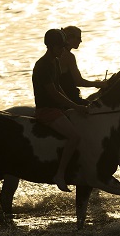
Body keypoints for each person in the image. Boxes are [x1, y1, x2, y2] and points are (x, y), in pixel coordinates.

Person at [32, 28, 88, 191]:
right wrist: (76, 106)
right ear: (51, 46)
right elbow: (53, 93)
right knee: (74, 137)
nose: (63, 50)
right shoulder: (42, 65)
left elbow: (59, 88)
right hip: (46, 111)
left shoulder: (55, 62)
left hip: (58, 109)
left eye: (64, 47)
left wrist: (72, 105)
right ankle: (60, 173)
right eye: (60, 47)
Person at [58, 26, 103, 105]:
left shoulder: (59, 53)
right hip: (69, 99)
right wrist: (100, 84)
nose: (81, 41)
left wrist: (96, 83)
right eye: (78, 38)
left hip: (64, 97)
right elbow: (79, 81)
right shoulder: (69, 56)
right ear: (70, 38)